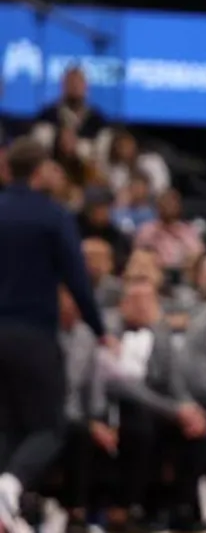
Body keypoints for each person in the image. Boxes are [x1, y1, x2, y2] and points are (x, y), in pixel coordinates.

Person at [0, 138, 108, 532]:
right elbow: (78, 281)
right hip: (34, 335)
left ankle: (5, 510)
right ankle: (8, 488)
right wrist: (99, 330)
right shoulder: (53, 215)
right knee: (49, 427)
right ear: (40, 171)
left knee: (9, 427)